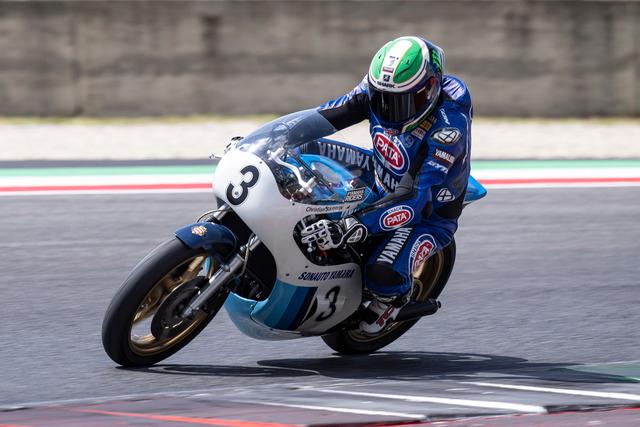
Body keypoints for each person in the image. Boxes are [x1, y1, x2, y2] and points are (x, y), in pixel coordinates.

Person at [299, 36, 472, 334]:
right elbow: (328, 115)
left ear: (430, 88)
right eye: (382, 98)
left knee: (381, 273)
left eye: (403, 101)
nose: (389, 110)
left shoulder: (448, 127)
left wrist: (351, 226)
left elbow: (414, 200)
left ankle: (392, 302)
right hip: (379, 171)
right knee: (305, 149)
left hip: (426, 214)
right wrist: (272, 138)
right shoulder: (377, 88)